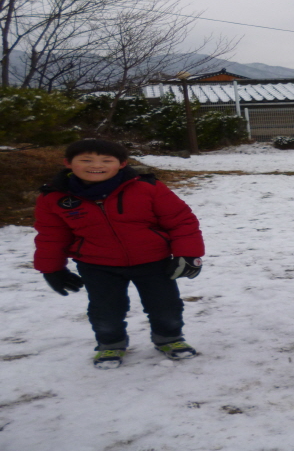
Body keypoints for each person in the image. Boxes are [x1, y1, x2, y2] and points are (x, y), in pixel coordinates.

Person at [33, 139, 205, 369]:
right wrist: (51, 268)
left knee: (165, 306)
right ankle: (110, 343)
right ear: (68, 163)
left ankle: (170, 338)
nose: (96, 165)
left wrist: (188, 254)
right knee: (105, 311)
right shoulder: (54, 199)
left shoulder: (148, 188)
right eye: (86, 160)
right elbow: (51, 235)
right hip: (97, 265)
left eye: (106, 160)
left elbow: (182, 221)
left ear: (122, 164)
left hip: (153, 261)